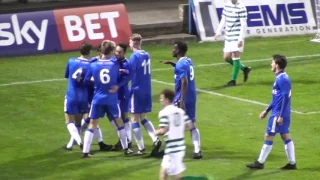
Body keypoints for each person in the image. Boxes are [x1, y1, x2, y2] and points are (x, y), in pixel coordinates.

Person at [82, 40, 132, 158]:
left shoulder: (93, 64)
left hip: (98, 97)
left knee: (92, 124)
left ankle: (85, 151)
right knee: (119, 122)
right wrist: (118, 86)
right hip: (111, 99)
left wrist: (96, 83)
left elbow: (86, 80)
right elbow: (129, 75)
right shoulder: (115, 64)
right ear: (112, 51)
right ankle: (126, 149)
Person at [246, 54, 296, 170]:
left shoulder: (283, 79)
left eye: (272, 62)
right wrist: (266, 110)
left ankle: (260, 162)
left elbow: (285, 97)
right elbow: (277, 98)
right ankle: (292, 163)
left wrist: (280, 115)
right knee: (285, 135)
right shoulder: (281, 77)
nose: (271, 64)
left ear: (277, 65)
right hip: (280, 112)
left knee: (269, 135)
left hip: (278, 114)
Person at [114, 34, 162, 155]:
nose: (129, 44)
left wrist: (118, 85)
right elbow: (136, 70)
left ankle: (141, 148)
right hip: (147, 89)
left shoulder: (134, 56)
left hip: (137, 90)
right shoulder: (146, 54)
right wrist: (123, 70)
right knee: (143, 117)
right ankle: (155, 139)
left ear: (133, 43)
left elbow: (130, 74)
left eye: (129, 42)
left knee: (134, 119)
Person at [159, 41, 202, 159]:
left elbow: (184, 81)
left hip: (182, 97)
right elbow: (183, 69)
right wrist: (172, 63)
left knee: (172, 123)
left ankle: (169, 150)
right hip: (192, 96)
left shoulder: (180, 65)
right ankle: (197, 151)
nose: (172, 50)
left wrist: (182, 100)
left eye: (174, 48)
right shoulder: (188, 61)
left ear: (178, 50)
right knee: (191, 124)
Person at [77, 45, 113, 151]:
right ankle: (75, 138)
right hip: (90, 95)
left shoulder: (95, 62)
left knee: (92, 119)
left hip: (95, 95)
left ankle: (100, 143)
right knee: (91, 119)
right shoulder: (93, 64)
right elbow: (86, 81)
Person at [155, 89, 193, 180]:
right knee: (168, 172)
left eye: (162, 99)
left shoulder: (164, 113)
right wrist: (179, 130)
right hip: (180, 147)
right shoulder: (180, 111)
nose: (160, 100)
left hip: (172, 148)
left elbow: (163, 130)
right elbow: (190, 126)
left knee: (166, 173)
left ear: (167, 100)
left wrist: (154, 132)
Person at [214, 0, 251, 87]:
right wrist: (218, 31)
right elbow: (224, 19)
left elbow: (243, 24)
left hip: (237, 36)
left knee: (235, 56)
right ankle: (245, 69)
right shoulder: (226, 5)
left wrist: (240, 38)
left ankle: (233, 81)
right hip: (228, 36)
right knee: (226, 57)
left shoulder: (241, 7)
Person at [64, 42, 93, 151]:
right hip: (83, 97)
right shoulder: (91, 65)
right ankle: (71, 144)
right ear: (89, 52)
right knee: (78, 123)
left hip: (71, 95)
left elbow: (67, 76)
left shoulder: (71, 61)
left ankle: (79, 141)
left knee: (68, 120)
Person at [113, 43, 133, 150]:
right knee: (118, 117)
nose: (117, 53)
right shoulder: (114, 61)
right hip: (116, 93)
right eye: (116, 51)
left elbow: (129, 76)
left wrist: (122, 71)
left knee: (124, 117)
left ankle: (128, 140)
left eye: (120, 52)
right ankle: (124, 139)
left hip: (123, 93)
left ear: (124, 52)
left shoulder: (126, 63)